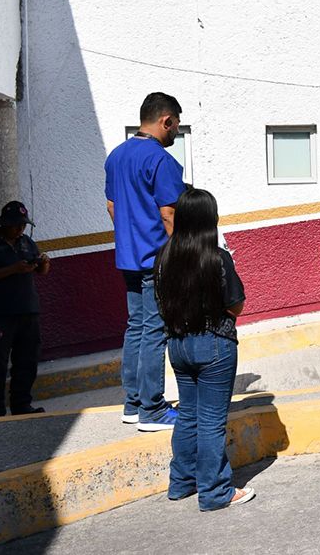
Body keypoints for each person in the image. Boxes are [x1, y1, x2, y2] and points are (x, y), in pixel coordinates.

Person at [155, 188, 255, 511]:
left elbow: (160, 302)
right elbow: (236, 305)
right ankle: (215, 491)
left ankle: (181, 482)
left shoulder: (164, 257)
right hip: (213, 343)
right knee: (211, 421)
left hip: (178, 344)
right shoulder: (217, 257)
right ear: (211, 219)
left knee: (188, 415)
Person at [104, 92, 185, 432]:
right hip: (157, 258)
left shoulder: (116, 156)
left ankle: (133, 404)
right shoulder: (161, 160)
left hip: (128, 258)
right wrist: (183, 256)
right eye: (176, 125)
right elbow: (169, 214)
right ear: (166, 120)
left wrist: (130, 236)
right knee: (155, 329)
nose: (176, 132)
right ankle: (152, 409)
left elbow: (111, 206)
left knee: (135, 326)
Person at [0, 201, 50, 416]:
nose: (20, 229)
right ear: (5, 223)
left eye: (23, 225)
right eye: (16, 225)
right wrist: (13, 269)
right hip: (0, 313)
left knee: (27, 360)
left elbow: (41, 272)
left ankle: (22, 404)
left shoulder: (26, 242)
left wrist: (43, 263)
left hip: (28, 309)